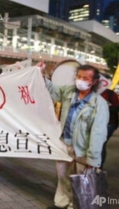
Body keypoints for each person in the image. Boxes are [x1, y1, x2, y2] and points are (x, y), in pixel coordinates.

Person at [38, 62, 109, 209]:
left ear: (94, 81)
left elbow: (99, 133)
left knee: (80, 180)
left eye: (85, 78)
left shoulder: (99, 104)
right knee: (63, 177)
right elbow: (51, 89)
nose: (81, 80)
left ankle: (75, 206)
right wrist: (41, 74)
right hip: (65, 143)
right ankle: (61, 203)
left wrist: (93, 158)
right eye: (79, 76)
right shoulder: (68, 92)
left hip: (82, 149)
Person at [99, 85, 119, 169]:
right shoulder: (92, 92)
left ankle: (99, 166)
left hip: (109, 123)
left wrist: (104, 107)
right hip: (96, 123)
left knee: (100, 143)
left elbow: (116, 108)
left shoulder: (111, 94)